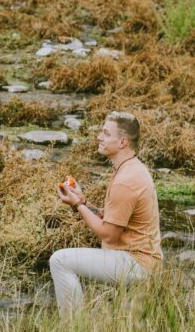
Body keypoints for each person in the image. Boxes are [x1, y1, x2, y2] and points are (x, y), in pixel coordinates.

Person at [52, 111, 162, 313]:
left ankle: (73, 326)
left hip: (137, 264)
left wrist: (78, 206)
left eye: (106, 133)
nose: (99, 137)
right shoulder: (131, 168)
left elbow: (109, 235)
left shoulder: (126, 180)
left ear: (122, 142)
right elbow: (112, 217)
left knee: (59, 261)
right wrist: (84, 201)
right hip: (138, 260)